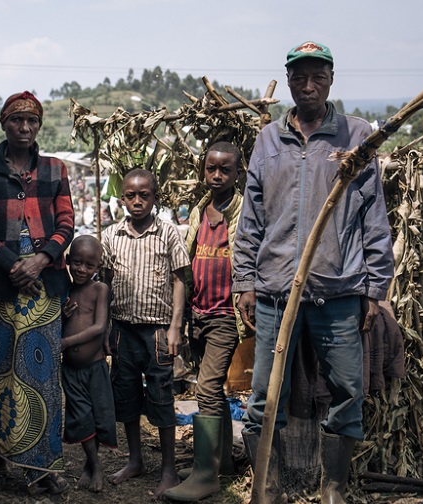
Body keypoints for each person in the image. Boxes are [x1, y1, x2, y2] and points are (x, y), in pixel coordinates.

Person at [233, 42, 394, 503]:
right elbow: (252, 218)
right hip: (276, 292)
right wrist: (245, 279)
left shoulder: (355, 135)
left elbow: (373, 218)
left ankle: (333, 489)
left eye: (317, 77)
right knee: (266, 394)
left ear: (330, 80)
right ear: (288, 81)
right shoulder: (269, 139)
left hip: (338, 289)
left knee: (347, 390)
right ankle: (269, 486)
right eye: (299, 77)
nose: (308, 86)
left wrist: (375, 288)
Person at [0, 90, 74, 496]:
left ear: (39, 126)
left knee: (41, 375)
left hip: (44, 286)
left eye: (32, 121)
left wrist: (41, 260)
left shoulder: (54, 169)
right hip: (2, 284)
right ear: (3, 123)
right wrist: (14, 264)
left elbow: (67, 220)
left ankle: (41, 468)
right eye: (17, 120)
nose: (25, 128)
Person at [163, 141, 246, 502]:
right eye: (211, 168)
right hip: (200, 312)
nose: (216, 175)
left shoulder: (244, 210)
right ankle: (220, 462)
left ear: (238, 173)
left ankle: (205, 475)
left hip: (227, 315)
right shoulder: (200, 209)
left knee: (209, 388)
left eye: (225, 169)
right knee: (214, 389)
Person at [101, 168, 190, 499]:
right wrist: (106, 327)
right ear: (122, 198)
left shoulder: (167, 234)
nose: (137, 202)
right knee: (124, 395)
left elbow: (181, 279)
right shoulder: (111, 236)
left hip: (157, 331)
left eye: (145, 195)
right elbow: (105, 283)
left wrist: (175, 327)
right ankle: (135, 459)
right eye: (130, 196)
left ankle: (168, 469)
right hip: (122, 329)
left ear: (156, 196)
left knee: (161, 395)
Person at [59, 235, 116, 493]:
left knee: (99, 417)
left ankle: (91, 466)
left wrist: (67, 341)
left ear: (98, 266)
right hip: (71, 370)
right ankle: (95, 465)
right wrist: (62, 315)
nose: (82, 269)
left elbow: (99, 326)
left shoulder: (99, 289)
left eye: (89, 265)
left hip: (95, 368)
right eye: (77, 263)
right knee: (80, 417)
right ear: (68, 261)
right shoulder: (65, 290)